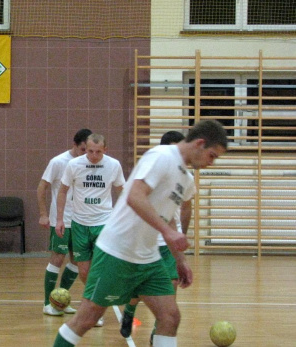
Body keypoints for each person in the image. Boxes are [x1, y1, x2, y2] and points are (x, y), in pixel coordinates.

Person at [53, 120, 228, 347]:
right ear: (200, 143)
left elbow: (166, 218)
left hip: (148, 257)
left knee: (170, 317)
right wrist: (167, 232)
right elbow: (134, 196)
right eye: (212, 156)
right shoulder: (162, 156)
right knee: (86, 319)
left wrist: (180, 259)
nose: (211, 163)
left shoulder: (185, 179)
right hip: (117, 251)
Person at [119, 130, 186, 342]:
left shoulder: (185, 176)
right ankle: (129, 311)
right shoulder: (153, 170)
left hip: (168, 243)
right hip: (148, 242)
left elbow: (186, 207)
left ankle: (159, 333)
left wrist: (182, 234)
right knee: (140, 292)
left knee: (171, 289)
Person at [55, 133, 125, 326]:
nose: (93, 155)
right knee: (84, 271)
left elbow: (122, 191)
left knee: (99, 268)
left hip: (103, 223)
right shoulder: (74, 165)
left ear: (105, 150)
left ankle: (95, 308)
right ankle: (96, 300)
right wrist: (60, 219)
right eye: (90, 151)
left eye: (98, 152)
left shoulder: (113, 165)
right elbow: (62, 191)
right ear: (85, 148)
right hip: (79, 224)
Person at [37, 128, 92, 316]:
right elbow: (41, 187)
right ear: (74, 145)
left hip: (80, 221)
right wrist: (44, 214)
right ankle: (47, 303)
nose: (86, 154)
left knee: (77, 261)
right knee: (58, 258)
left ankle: (60, 299)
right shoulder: (58, 162)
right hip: (61, 219)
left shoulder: (90, 164)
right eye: (83, 149)